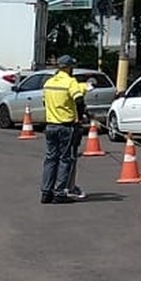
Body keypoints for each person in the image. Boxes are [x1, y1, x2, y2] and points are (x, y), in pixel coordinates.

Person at [40, 55, 88, 203]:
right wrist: (80, 116)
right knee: (64, 159)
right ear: (68, 68)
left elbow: (44, 102)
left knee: (50, 159)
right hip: (66, 126)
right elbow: (79, 99)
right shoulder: (70, 82)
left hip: (50, 125)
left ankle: (46, 192)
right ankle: (60, 193)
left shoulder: (48, 83)